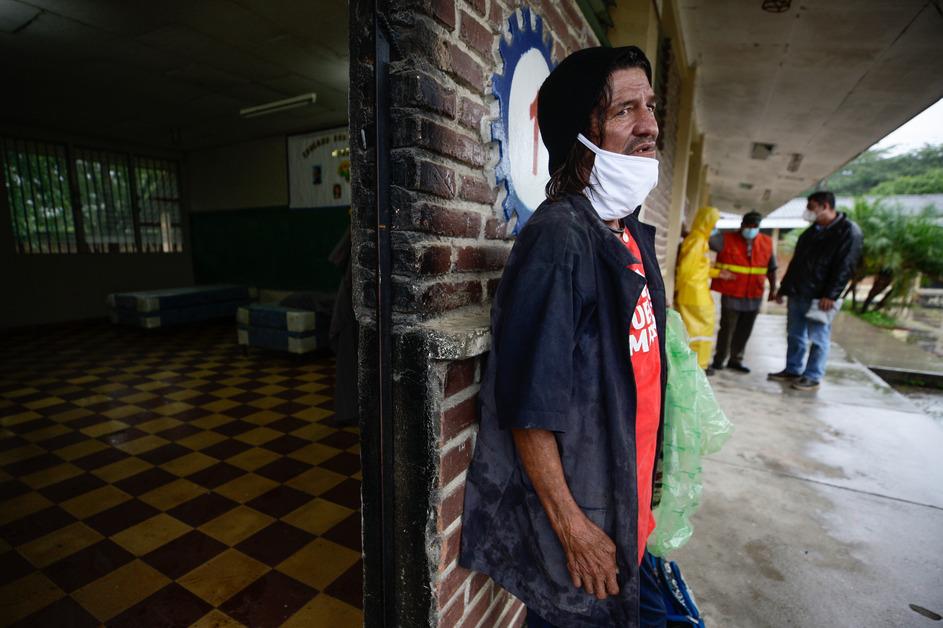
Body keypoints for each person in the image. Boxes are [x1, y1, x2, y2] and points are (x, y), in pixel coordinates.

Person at [459, 46, 671, 627]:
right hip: (587, 526)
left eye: (650, 106)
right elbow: (527, 408)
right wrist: (575, 530)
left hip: (625, 504)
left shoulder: (625, 234)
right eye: (625, 110)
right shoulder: (559, 241)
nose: (650, 125)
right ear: (581, 134)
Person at [768, 191, 862, 391]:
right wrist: (783, 289)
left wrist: (831, 294)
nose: (807, 211)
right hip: (798, 292)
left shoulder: (848, 232)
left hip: (821, 297)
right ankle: (792, 369)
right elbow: (796, 263)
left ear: (825, 206)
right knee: (795, 334)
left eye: (811, 206)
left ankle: (812, 375)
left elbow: (846, 266)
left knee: (818, 337)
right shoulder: (810, 233)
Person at [707, 211, 778, 375]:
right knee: (727, 328)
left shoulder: (767, 242)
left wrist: (773, 290)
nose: (751, 229)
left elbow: (772, 269)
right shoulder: (725, 239)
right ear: (742, 225)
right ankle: (719, 359)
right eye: (748, 225)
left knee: (745, 329)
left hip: (754, 293)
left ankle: (736, 360)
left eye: (755, 226)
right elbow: (702, 239)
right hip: (732, 291)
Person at [674, 205, 733, 371]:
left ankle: (700, 364)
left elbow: (698, 268)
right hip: (693, 295)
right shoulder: (696, 240)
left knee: (701, 331)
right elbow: (686, 270)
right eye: (713, 224)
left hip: (698, 293)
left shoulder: (700, 240)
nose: (714, 228)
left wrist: (718, 273)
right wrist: (678, 291)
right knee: (695, 332)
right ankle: (697, 365)